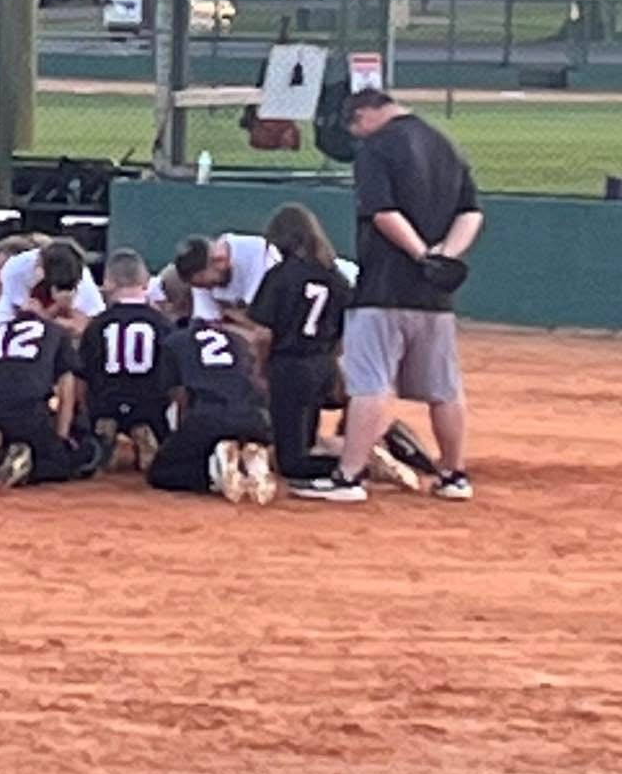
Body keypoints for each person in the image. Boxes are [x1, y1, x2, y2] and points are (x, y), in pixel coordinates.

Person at [296, 89, 482, 503]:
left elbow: (382, 212)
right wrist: (444, 257)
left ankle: (349, 476)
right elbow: (471, 212)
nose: (357, 134)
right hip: (434, 296)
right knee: (444, 389)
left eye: (355, 125)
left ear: (365, 114)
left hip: (384, 288)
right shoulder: (444, 143)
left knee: (370, 385)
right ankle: (454, 474)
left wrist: (419, 254)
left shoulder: (376, 148)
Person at [144, 273, 277, 503]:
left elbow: (179, 396)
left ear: (174, 303)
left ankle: (213, 471)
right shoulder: (237, 339)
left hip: (208, 416)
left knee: (161, 474)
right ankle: (249, 458)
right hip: (255, 418)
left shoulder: (176, 341)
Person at [246, 204, 355, 484]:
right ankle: (351, 456)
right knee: (303, 442)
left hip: (289, 366)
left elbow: (263, 335)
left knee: (291, 462)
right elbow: (344, 333)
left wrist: (260, 368)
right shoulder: (336, 278)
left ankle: (353, 462)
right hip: (321, 364)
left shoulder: (280, 276)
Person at [0, 302, 82, 488]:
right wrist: (61, 438)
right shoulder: (56, 333)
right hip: (30, 412)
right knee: (61, 464)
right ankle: (22, 456)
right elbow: (67, 391)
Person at [79, 249, 176, 471]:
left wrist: (87, 412)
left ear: (108, 282)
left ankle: (106, 431)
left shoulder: (97, 325)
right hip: (149, 403)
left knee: (102, 400)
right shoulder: (162, 324)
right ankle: (143, 428)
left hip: (106, 400)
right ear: (145, 282)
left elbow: (82, 377)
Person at [0, 236, 105, 338]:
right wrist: (48, 315)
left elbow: (82, 326)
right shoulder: (16, 269)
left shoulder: (82, 278)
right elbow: (22, 316)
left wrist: (50, 313)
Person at [163, 231, 278, 330]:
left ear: (219, 261)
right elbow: (208, 323)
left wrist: (231, 316)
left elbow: (263, 325)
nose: (207, 289)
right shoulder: (201, 275)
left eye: (207, 284)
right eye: (200, 286)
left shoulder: (265, 258)